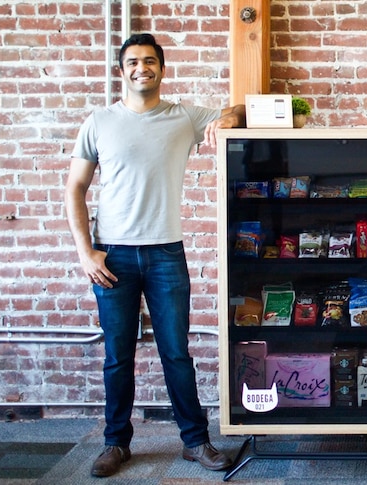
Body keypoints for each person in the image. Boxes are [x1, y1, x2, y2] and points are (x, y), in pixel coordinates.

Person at [64, 33, 245, 478]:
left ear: (162, 69)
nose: (141, 67)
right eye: (132, 62)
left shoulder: (183, 117)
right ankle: (115, 444)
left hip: (166, 253)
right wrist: (86, 252)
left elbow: (238, 111)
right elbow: (74, 188)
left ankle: (195, 442)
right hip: (113, 257)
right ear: (121, 70)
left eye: (150, 61)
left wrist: (226, 117)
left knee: (175, 352)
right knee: (117, 354)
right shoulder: (100, 121)